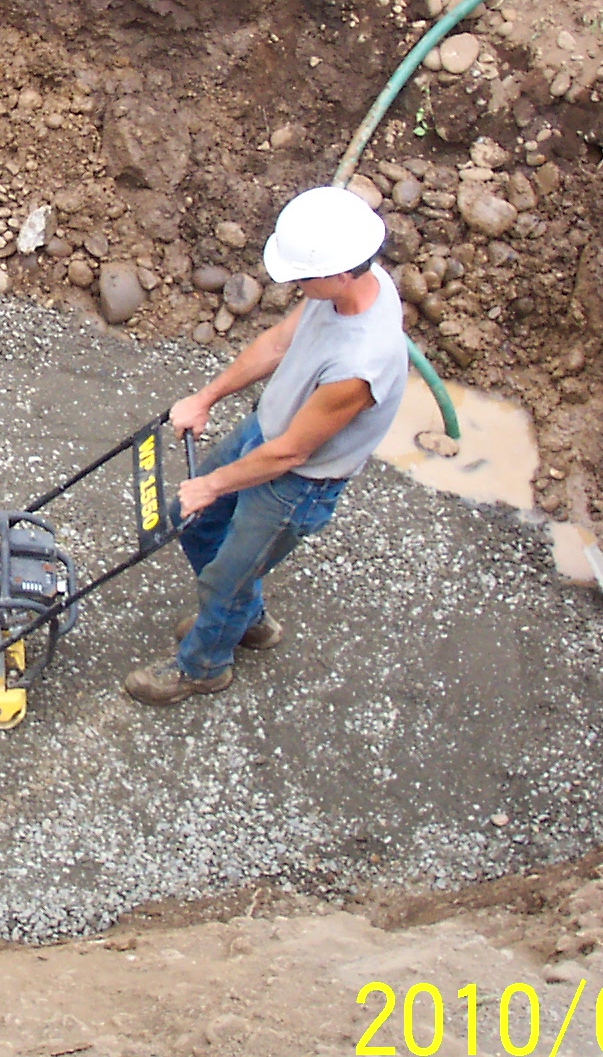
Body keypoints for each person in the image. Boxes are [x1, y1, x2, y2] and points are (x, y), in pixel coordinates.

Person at [123, 185, 407, 706]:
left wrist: (210, 483)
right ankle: (244, 621)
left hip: (298, 482)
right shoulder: (350, 285)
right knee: (194, 525)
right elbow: (278, 342)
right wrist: (205, 397)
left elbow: (291, 455)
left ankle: (204, 666)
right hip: (269, 432)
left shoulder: (363, 365)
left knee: (225, 579)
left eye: (304, 276)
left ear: (342, 272)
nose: (295, 284)